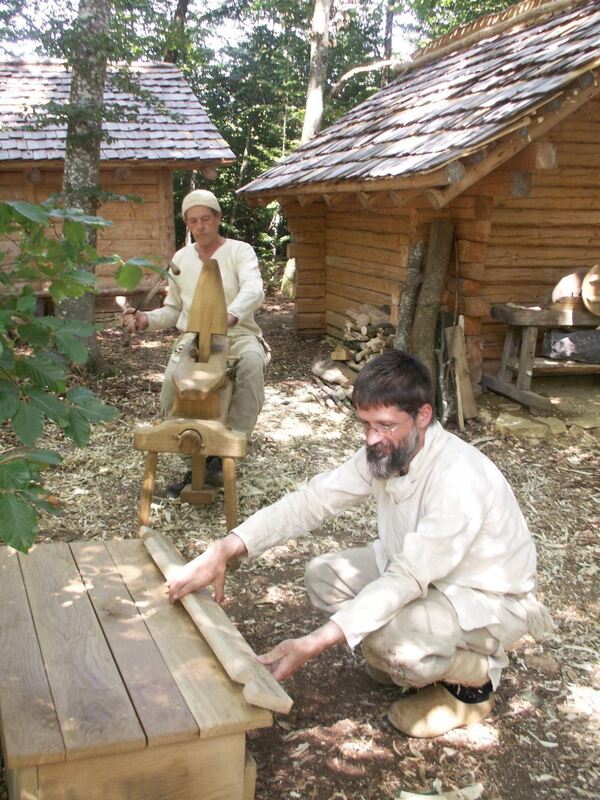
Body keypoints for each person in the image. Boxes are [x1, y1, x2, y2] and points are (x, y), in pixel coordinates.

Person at [167, 350, 553, 738]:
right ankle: (411, 657)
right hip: (424, 579)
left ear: (423, 415)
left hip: (482, 600)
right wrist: (226, 548)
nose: (372, 438)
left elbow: (407, 578)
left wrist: (314, 642)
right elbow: (312, 501)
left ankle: (475, 685)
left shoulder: (459, 479)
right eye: (365, 424)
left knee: (386, 642)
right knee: (324, 577)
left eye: (385, 425)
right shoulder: (386, 448)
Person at [123, 189, 269, 492]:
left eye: (206, 219)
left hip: (237, 332)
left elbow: (254, 289)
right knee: (171, 385)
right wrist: (145, 320)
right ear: (187, 225)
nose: (200, 226)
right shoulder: (180, 259)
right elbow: (174, 309)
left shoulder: (240, 251)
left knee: (253, 364)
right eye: (193, 221)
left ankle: (231, 446)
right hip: (193, 338)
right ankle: (193, 459)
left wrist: (229, 316)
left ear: (217, 218)